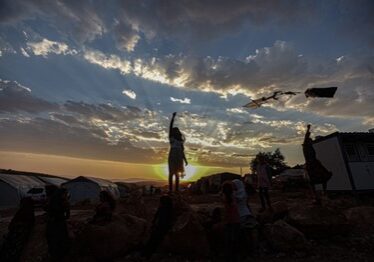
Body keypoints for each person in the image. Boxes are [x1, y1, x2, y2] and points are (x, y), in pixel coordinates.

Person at [302, 124, 332, 204]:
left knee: (325, 175)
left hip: (315, 163)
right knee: (312, 181)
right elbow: (306, 138)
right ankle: (315, 196)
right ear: (308, 142)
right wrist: (308, 129)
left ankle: (324, 192)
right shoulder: (305, 146)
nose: (312, 142)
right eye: (310, 141)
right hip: (311, 165)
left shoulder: (311, 147)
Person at [0, 197, 35, 262]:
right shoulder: (30, 212)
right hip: (19, 237)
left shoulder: (22, 212)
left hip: (16, 237)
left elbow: (12, 225)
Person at [45, 186, 70, 262]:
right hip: (59, 224)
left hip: (54, 225)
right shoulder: (60, 201)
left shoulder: (54, 200)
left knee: (55, 243)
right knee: (60, 242)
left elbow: (53, 212)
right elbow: (67, 215)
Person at [232, 179, 258, 253]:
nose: (233, 187)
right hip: (242, 214)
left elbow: (239, 199)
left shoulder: (240, 193)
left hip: (242, 215)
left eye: (234, 185)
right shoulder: (238, 193)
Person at [168, 112, 188, 192]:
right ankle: (170, 190)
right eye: (174, 131)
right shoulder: (171, 139)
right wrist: (173, 117)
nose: (175, 132)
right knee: (171, 173)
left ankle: (176, 190)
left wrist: (185, 160)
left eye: (176, 131)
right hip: (173, 156)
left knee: (177, 174)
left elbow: (182, 151)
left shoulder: (180, 142)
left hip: (179, 157)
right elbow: (170, 127)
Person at [222, 181, 240, 262]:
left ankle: (228, 256)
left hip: (228, 221)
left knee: (228, 240)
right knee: (234, 239)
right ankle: (234, 256)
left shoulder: (225, 198)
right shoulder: (233, 197)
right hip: (235, 221)